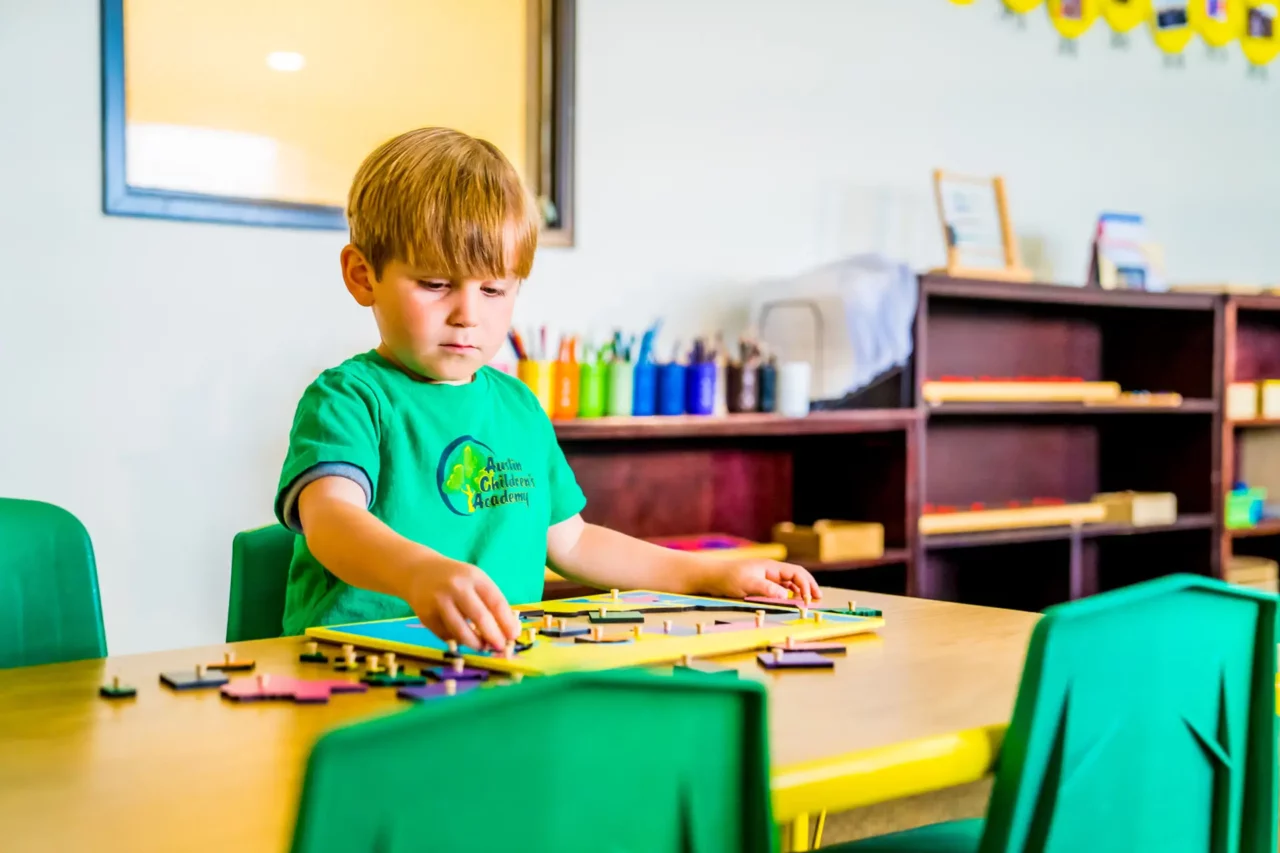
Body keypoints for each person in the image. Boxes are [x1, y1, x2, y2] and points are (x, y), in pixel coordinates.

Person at [274, 127, 821, 648]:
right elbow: (333, 523)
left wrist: (710, 574)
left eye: (493, 288)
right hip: (355, 668)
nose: (468, 313)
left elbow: (574, 542)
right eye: (436, 284)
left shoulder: (517, 406)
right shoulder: (348, 399)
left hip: (492, 666)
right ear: (363, 276)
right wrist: (419, 573)